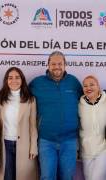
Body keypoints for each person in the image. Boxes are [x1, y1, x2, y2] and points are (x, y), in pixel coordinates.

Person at [29, 51, 82, 180]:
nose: (57, 66)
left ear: (65, 65)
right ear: (48, 65)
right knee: (47, 176)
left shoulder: (73, 82)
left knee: (67, 177)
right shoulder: (37, 83)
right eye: (53, 63)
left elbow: (86, 101)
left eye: (60, 63)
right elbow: (23, 99)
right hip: (46, 140)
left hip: (69, 141)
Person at [0, 67, 38, 180]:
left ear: (22, 80)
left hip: (24, 145)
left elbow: (33, 126)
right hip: (5, 144)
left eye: (17, 77)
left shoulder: (30, 99)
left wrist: (34, 146)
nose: (14, 80)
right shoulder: (0, 98)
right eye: (10, 78)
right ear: (6, 80)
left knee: (23, 176)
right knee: (7, 176)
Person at [78, 75, 106, 180]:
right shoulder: (79, 105)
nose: (88, 88)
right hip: (86, 151)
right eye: (85, 86)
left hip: (103, 149)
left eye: (92, 85)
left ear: (98, 86)